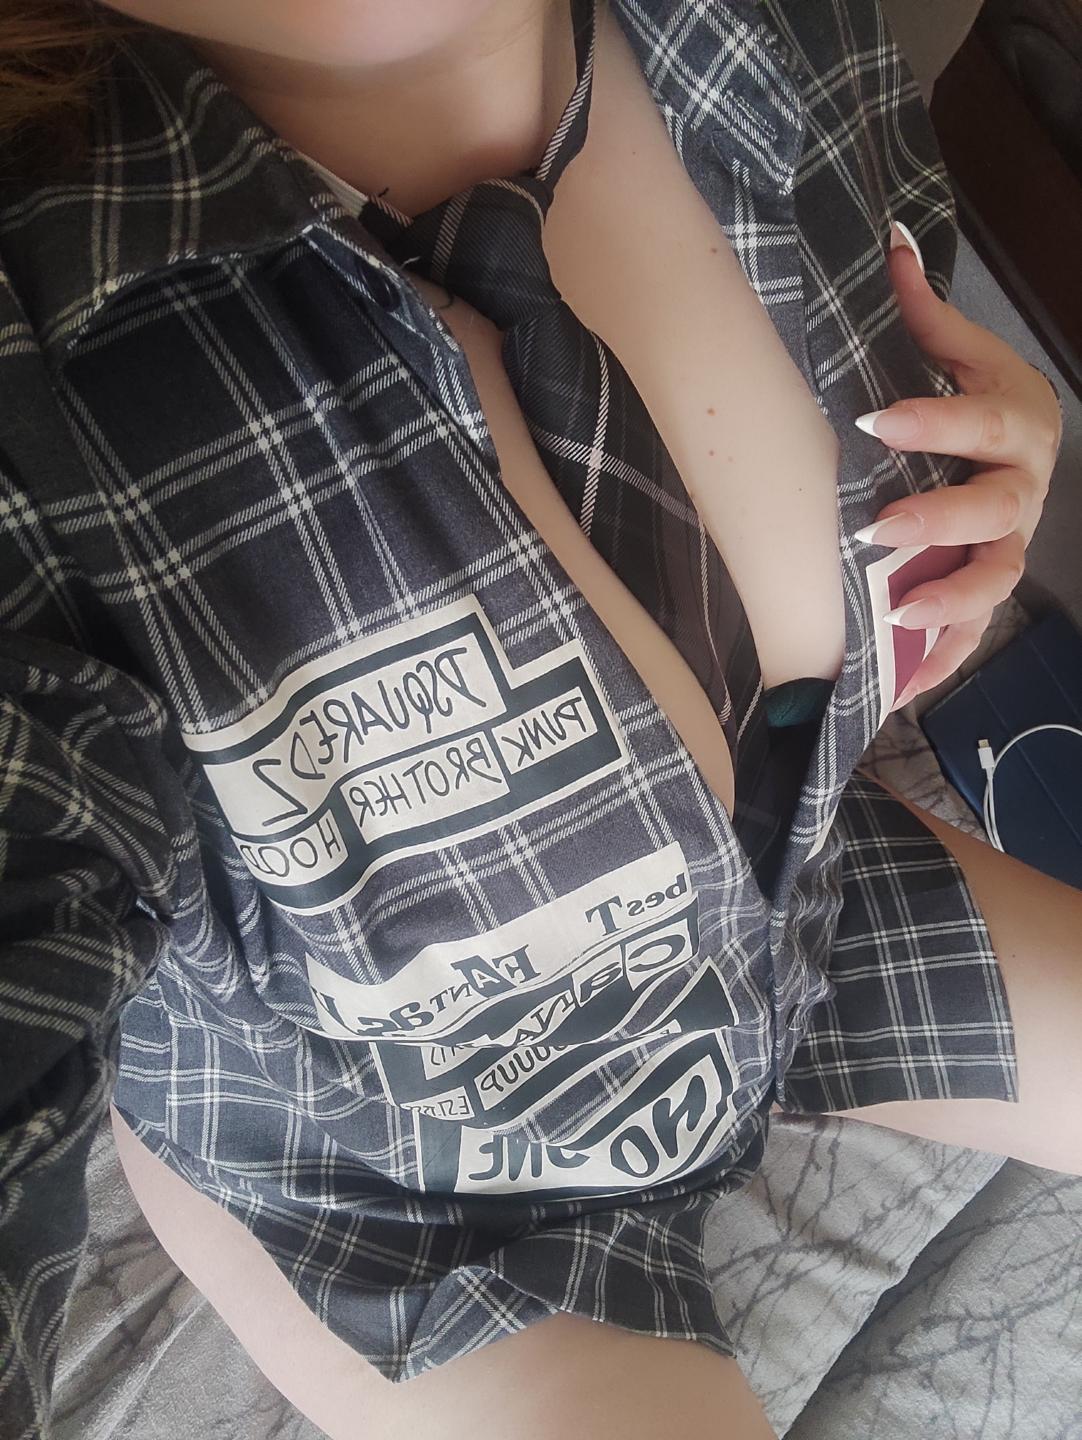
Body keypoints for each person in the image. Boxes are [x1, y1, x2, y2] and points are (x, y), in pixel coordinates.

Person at [0, 1, 1074, 1436]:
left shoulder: (768, 29)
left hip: (786, 893)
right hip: (388, 1180)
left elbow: (901, 352)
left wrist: (989, 449)